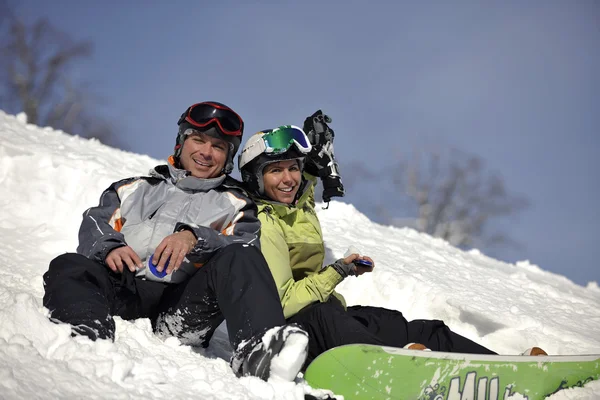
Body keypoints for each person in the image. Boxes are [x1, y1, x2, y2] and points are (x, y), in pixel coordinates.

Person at [238, 113, 547, 366]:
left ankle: (506, 368)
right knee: (325, 313)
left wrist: (319, 158)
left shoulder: (295, 204)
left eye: (293, 168)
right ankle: (398, 367)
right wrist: (338, 272)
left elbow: (307, 181)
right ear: (255, 178)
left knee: (424, 331)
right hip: (297, 330)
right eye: (276, 171)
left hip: (331, 316)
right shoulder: (263, 224)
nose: (289, 178)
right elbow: (284, 301)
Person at [42, 101, 309, 382]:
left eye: (218, 147)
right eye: (198, 140)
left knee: (241, 255)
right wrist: (110, 246)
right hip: (123, 289)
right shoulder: (134, 189)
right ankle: (86, 337)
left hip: (183, 308)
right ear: (181, 143)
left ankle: (261, 352)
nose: (206, 152)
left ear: (227, 157)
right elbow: (96, 222)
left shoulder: (236, 204)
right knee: (69, 264)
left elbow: (245, 245)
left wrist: (195, 237)